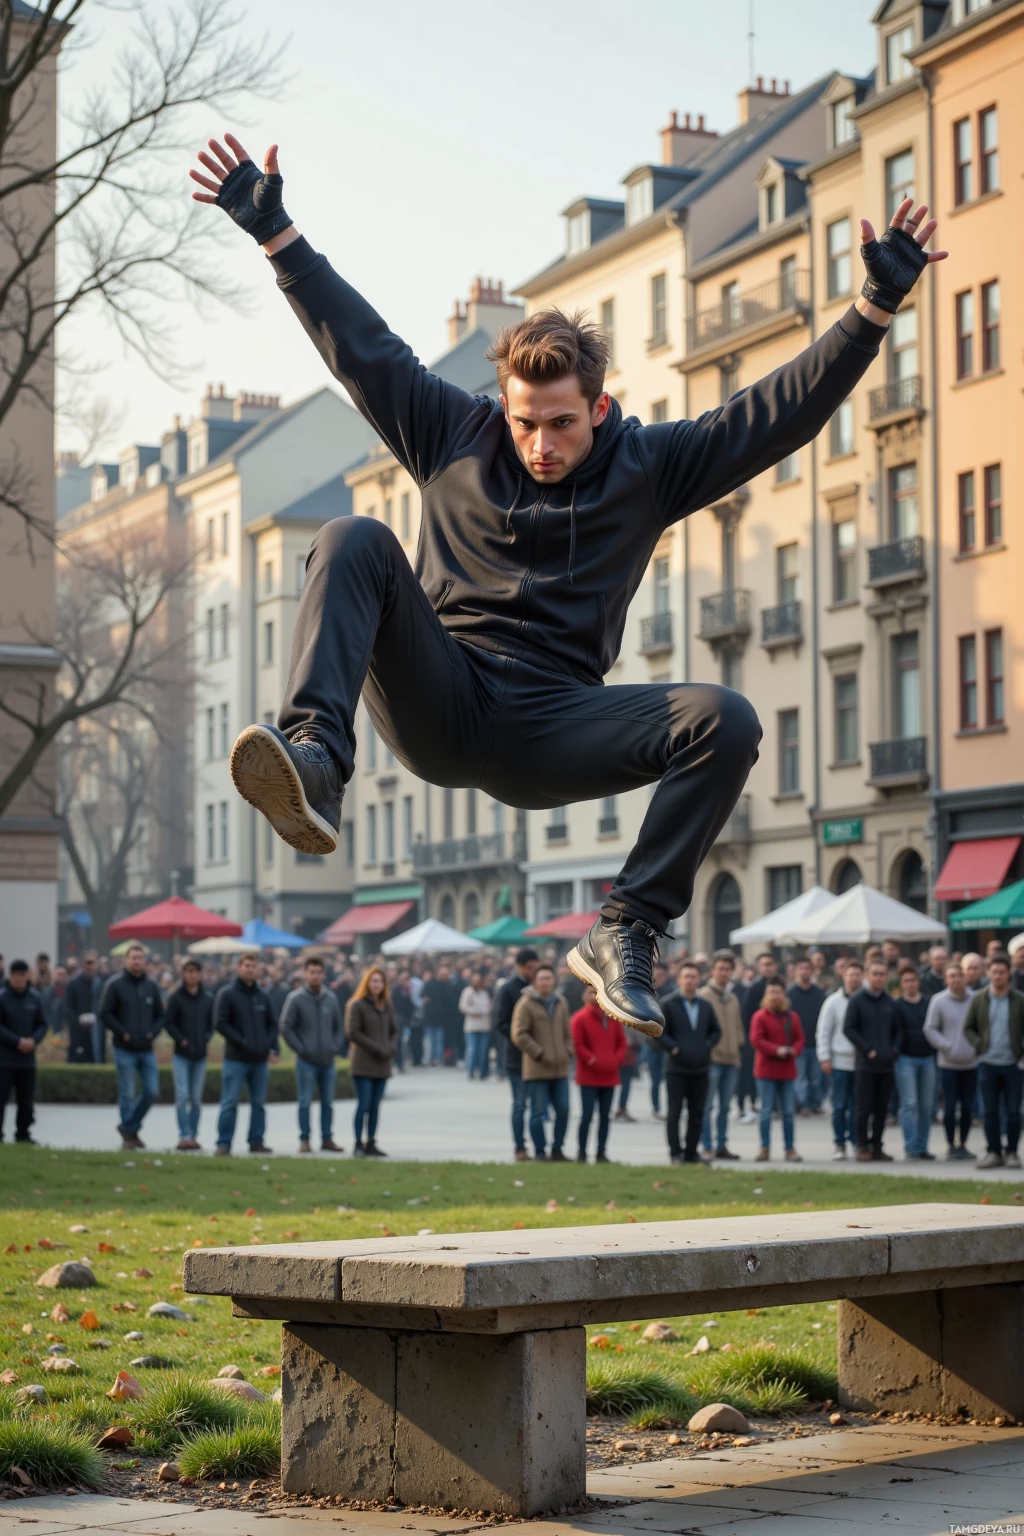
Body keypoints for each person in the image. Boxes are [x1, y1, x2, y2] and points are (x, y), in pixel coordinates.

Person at [191, 132, 943, 1038]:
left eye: (560, 425)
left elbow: (773, 417)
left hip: (553, 724)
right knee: (351, 536)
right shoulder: (450, 432)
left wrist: (872, 309)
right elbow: (362, 348)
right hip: (440, 693)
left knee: (728, 718)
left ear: (599, 407)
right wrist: (277, 236)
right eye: (523, 424)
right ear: (502, 407)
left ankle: (627, 928)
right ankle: (317, 757)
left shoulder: (651, 467)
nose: (540, 446)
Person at [214, 952, 279, 1156]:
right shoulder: (227, 994)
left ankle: (256, 1141)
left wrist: (271, 1046)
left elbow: (272, 1024)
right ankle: (224, 1143)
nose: (251, 970)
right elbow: (221, 1023)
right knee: (230, 1102)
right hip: (236, 1058)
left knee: (258, 1103)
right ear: (239, 968)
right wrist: (241, 1042)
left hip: (259, 1060)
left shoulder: (263, 995)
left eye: (254, 966)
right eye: (247, 966)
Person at [656, 960, 721, 1165]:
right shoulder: (668, 1003)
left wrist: (706, 1045)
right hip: (676, 1068)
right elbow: (657, 1032)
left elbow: (715, 1031)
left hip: (700, 1067)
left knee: (697, 1113)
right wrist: (673, 1048)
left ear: (699, 979)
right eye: (686, 977)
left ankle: (691, 1153)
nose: (690, 981)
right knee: (674, 1113)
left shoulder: (705, 1005)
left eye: (694, 977)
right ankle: (675, 1153)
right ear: (679, 979)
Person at [100, 942, 164, 1150]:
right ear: (126, 961)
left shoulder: (151, 986)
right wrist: (122, 1032)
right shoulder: (115, 985)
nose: (137, 962)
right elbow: (105, 1014)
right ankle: (130, 1137)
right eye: (134, 958)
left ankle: (128, 1127)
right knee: (127, 1093)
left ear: (145, 961)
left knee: (152, 1091)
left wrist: (152, 1033)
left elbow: (160, 1015)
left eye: (140, 958)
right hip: (124, 1047)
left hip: (146, 1048)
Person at [280, 955, 345, 1153]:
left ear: (324, 974)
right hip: (306, 1060)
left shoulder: (331, 998)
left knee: (328, 1102)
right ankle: (305, 1139)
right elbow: (286, 1027)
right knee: (304, 1102)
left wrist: (334, 1046)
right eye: (312, 972)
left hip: (327, 1059)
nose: (315, 976)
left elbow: (339, 1027)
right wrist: (301, 1049)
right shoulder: (296, 998)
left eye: (318, 972)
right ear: (305, 974)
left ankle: (327, 1138)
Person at [964, 952, 1024, 1170]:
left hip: (1012, 1064)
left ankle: (1012, 1152)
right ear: (988, 973)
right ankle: (994, 1152)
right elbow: (968, 1027)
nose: (998, 976)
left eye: (1002, 972)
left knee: (1014, 1111)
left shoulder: (1019, 1000)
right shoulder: (979, 998)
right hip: (987, 1064)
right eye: (994, 972)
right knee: (989, 1111)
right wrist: (979, 1045)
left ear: (1009, 974)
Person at [511, 962, 573, 1162]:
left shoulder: (561, 1002)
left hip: (560, 1068)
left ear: (554, 980)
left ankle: (557, 1149)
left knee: (563, 1109)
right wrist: (538, 1052)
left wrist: (568, 1050)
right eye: (541, 979)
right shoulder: (525, 1004)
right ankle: (540, 1151)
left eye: (548, 978)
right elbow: (519, 1034)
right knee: (538, 1112)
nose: (545, 982)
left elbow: (567, 1031)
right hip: (537, 1068)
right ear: (535, 982)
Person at [844, 958, 902, 1162]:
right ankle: (862, 1146)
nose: (879, 978)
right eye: (875, 974)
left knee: (881, 1108)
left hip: (886, 1064)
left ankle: (877, 1146)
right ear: (867, 976)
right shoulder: (857, 1000)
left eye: (882, 974)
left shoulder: (891, 1002)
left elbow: (898, 1031)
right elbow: (849, 1029)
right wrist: (866, 1049)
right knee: (863, 1108)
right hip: (866, 1064)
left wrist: (894, 1051)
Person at [923, 962, 978, 1161]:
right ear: (946, 979)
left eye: (959, 975)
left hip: (971, 1063)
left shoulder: (976, 999)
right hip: (948, 1063)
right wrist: (946, 1046)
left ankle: (963, 1143)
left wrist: (977, 1047)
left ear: (965, 977)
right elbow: (930, 1028)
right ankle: (950, 1144)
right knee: (949, 1106)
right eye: (951, 976)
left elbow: (983, 1025)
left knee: (967, 1107)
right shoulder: (938, 1001)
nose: (956, 980)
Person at [345, 966, 399, 1157]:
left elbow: (394, 1031)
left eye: (380, 981)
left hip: (382, 1063)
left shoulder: (386, 1006)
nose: (377, 984)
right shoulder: (357, 1005)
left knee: (375, 1106)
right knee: (364, 1104)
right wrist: (376, 1048)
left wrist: (391, 1048)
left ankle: (371, 1142)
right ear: (367, 983)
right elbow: (353, 1032)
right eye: (374, 981)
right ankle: (358, 1143)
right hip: (364, 1063)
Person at [750, 977, 804, 1162]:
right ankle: (764, 1147)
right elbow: (757, 1040)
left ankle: (790, 1148)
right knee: (766, 1111)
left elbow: (800, 1039)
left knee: (788, 1112)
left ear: (784, 995)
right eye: (771, 992)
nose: (774, 996)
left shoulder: (792, 1017)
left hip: (787, 1070)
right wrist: (776, 1050)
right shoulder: (760, 1016)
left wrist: (793, 1050)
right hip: (766, 1071)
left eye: (778, 992)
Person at [571, 982, 627, 1163]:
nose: (594, 996)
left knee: (605, 1117)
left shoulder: (613, 1016)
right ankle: (581, 1152)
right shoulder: (579, 1018)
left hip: (609, 1075)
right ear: (584, 996)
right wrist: (591, 1059)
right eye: (591, 992)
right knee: (587, 1116)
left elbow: (622, 1042)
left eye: (598, 992)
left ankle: (601, 1152)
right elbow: (578, 1044)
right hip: (588, 1076)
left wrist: (616, 1059)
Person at [163, 959, 214, 1150]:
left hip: (200, 1054)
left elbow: (212, 1023)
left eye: (195, 971)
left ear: (200, 974)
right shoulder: (176, 998)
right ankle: (184, 1134)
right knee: (182, 1095)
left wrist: (206, 1038)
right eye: (188, 971)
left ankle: (193, 1134)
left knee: (196, 1098)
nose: (191, 975)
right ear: (183, 974)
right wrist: (181, 1039)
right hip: (181, 1054)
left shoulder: (207, 998)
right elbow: (169, 1023)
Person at [816, 956, 862, 1160]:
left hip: (861, 1062)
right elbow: (823, 1031)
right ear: (844, 976)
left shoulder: (865, 1000)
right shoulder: (833, 1002)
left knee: (857, 1107)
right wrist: (824, 1057)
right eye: (850, 974)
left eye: (857, 975)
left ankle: (857, 1141)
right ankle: (839, 1143)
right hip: (839, 1061)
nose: (854, 978)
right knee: (839, 1106)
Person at [494, 948, 538, 1161]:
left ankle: (540, 1147)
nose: (533, 972)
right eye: (529, 968)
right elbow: (500, 1022)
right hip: (517, 1056)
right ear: (520, 967)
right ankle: (519, 1146)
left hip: (538, 1057)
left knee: (538, 1107)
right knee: (520, 1104)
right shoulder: (508, 989)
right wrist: (521, 1038)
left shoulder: (538, 987)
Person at [699, 950, 743, 1159]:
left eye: (727, 969)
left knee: (725, 1107)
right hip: (712, 1059)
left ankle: (722, 1145)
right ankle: (707, 1145)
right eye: (720, 969)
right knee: (707, 1106)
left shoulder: (732, 998)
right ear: (712, 971)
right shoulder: (703, 996)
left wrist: (738, 1047)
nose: (724, 973)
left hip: (731, 1059)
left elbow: (738, 1027)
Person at [893, 963, 936, 1161]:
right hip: (905, 1059)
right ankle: (911, 1147)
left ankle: (922, 1146)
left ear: (918, 982)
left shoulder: (929, 1003)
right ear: (901, 984)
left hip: (927, 1058)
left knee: (927, 1106)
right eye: (906, 981)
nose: (910, 984)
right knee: (910, 1103)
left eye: (913, 980)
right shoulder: (896, 1005)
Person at [0, 960, 46, 1143]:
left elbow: (42, 1024)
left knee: (26, 1101)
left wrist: (33, 1040)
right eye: (16, 975)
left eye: (23, 975)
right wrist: (17, 1041)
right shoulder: (2, 997)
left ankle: (23, 1134)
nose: (19, 979)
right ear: (11, 976)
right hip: (5, 1059)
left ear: (27, 975)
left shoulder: (34, 998)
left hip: (27, 1060)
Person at [739, 952, 778, 1123]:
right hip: (756, 1041)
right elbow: (746, 1016)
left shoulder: (780, 986)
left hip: (777, 1040)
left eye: (770, 964)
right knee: (752, 1075)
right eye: (765, 964)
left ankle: (774, 1106)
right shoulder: (754, 989)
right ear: (759, 967)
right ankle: (751, 1105)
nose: (768, 968)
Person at [787, 955, 826, 1117]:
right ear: (795, 971)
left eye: (807, 968)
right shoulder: (789, 993)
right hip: (797, 1042)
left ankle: (815, 1103)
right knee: (800, 1077)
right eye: (801, 968)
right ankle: (802, 1104)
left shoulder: (819, 993)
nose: (805, 971)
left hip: (816, 1041)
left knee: (816, 1077)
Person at [63, 950, 105, 1064]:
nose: (90, 966)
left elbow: (105, 1006)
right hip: (78, 1030)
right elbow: (68, 1007)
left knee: (97, 1059)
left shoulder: (101, 983)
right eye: (88, 963)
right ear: (83, 964)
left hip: (96, 1029)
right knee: (77, 1059)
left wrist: (98, 1018)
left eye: (93, 963)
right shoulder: (73, 983)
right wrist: (78, 1020)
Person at [646, 961, 675, 1119]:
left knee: (670, 1078)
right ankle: (656, 1108)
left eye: (662, 974)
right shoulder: (647, 991)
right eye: (657, 974)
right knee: (655, 1079)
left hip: (668, 1043)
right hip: (652, 1043)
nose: (659, 977)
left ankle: (671, 1107)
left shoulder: (672, 992)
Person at [459, 971, 493, 1080]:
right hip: (472, 1026)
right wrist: (475, 1011)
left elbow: (489, 1005)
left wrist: (485, 1011)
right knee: (472, 1049)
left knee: (483, 1051)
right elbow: (463, 1006)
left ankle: (483, 1071)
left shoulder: (484, 992)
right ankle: (471, 1070)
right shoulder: (468, 992)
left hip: (484, 1025)